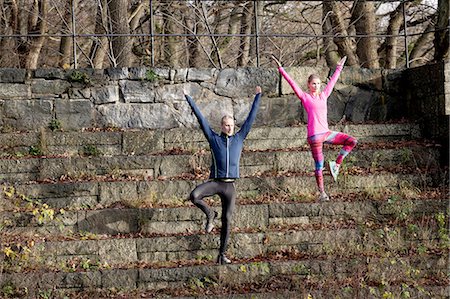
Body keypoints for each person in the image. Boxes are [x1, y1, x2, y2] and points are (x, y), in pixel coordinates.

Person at [184, 86, 262, 264]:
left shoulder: (239, 138)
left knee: (227, 219)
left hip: (229, 186)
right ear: (221, 126)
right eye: (226, 125)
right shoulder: (214, 139)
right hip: (217, 182)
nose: (229, 128)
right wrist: (188, 98)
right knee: (194, 196)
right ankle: (210, 214)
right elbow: (201, 119)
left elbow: (251, 118)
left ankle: (222, 255)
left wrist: (258, 96)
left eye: (231, 125)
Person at [271, 55, 357, 201]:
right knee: (319, 165)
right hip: (315, 136)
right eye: (314, 84)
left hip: (327, 133)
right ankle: (322, 193)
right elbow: (292, 84)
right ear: (309, 85)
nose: (316, 86)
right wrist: (281, 69)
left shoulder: (324, 95)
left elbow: (333, 81)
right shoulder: (305, 97)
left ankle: (336, 164)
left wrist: (339, 67)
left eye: (318, 84)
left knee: (352, 141)